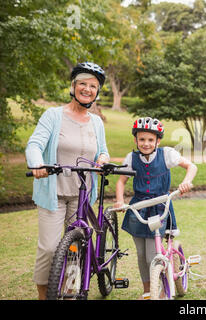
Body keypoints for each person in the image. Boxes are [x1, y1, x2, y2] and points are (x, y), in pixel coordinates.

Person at [25, 62, 110, 300]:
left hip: (83, 194)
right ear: (73, 86)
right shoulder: (53, 115)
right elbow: (35, 144)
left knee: (76, 248)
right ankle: (46, 294)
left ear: (97, 92)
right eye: (83, 83)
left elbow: (102, 151)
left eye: (93, 86)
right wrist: (37, 164)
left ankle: (70, 291)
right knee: (50, 249)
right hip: (54, 193)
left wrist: (103, 159)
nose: (87, 89)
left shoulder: (96, 122)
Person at [114, 117, 197, 300]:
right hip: (139, 207)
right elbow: (121, 181)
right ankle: (148, 291)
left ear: (157, 141)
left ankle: (159, 292)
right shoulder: (131, 158)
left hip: (160, 207)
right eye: (142, 139)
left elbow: (191, 166)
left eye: (150, 140)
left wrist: (186, 182)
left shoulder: (166, 154)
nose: (146, 143)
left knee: (153, 254)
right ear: (135, 140)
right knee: (142, 255)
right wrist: (120, 200)